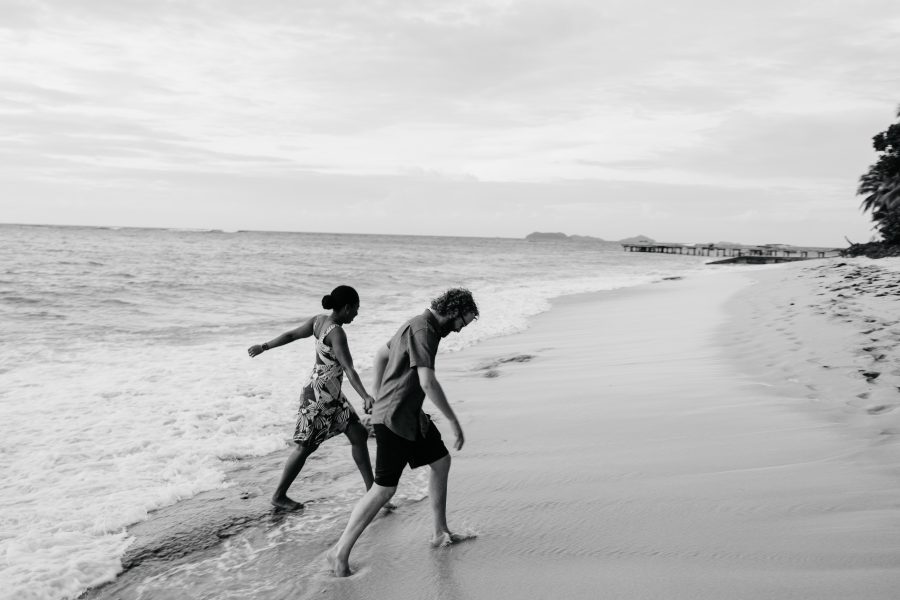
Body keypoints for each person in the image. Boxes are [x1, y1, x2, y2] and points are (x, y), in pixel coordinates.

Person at [327, 288, 479, 576]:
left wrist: (377, 390)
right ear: (453, 311)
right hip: (394, 418)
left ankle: (439, 532)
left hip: (409, 415)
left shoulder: (417, 324)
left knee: (441, 461)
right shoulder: (425, 330)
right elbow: (428, 383)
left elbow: (381, 353)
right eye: (463, 323)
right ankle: (339, 552)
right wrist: (454, 421)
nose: (460, 330)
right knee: (384, 489)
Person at [248, 285, 376, 510]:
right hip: (319, 397)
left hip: (332, 394)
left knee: (358, 434)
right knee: (305, 447)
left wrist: (264, 346)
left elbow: (291, 335)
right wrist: (365, 396)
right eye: (356, 308)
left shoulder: (319, 321)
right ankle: (279, 495)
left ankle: (373, 493)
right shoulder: (337, 332)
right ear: (346, 307)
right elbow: (349, 368)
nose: (357, 313)